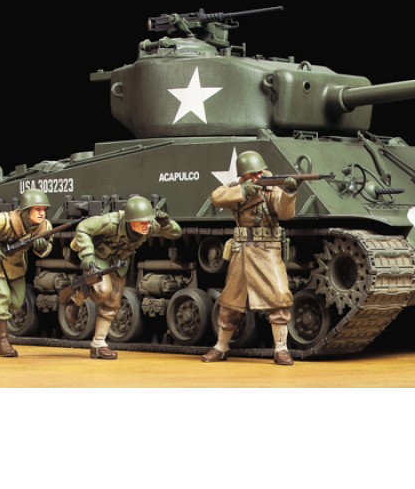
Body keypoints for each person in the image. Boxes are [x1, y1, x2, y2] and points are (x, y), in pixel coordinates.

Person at [203, 150, 300, 366]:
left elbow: (285, 213)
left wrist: (290, 193)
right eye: (252, 175)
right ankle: (221, 346)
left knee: (279, 299)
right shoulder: (238, 189)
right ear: (244, 176)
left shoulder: (271, 190)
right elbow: (216, 197)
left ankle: (281, 349)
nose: (257, 177)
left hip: (267, 251)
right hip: (241, 252)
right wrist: (243, 191)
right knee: (230, 302)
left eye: (259, 173)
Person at [66, 195, 182, 359]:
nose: (147, 225)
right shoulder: (111, 222)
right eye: (142, 222)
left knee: (113, 303)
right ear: (130, 221)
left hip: (119, 262)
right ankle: (77, 296)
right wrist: (88, 255)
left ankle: (98, 345)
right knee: (102, 290)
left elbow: (176, 233)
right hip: (99, 257)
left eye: (148, 222)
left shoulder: (149, 226)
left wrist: (166, 223)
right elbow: (83, 228)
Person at [0, 189, 53, 358]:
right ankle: (3, 341)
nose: (42, 213)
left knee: (16, 302)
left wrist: (42, 246)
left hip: (15, 264)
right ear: (26, 210)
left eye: (44, 209)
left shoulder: (44, 226)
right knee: (2, 298)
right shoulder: (5, 220)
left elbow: (47, 246)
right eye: (37, 209)